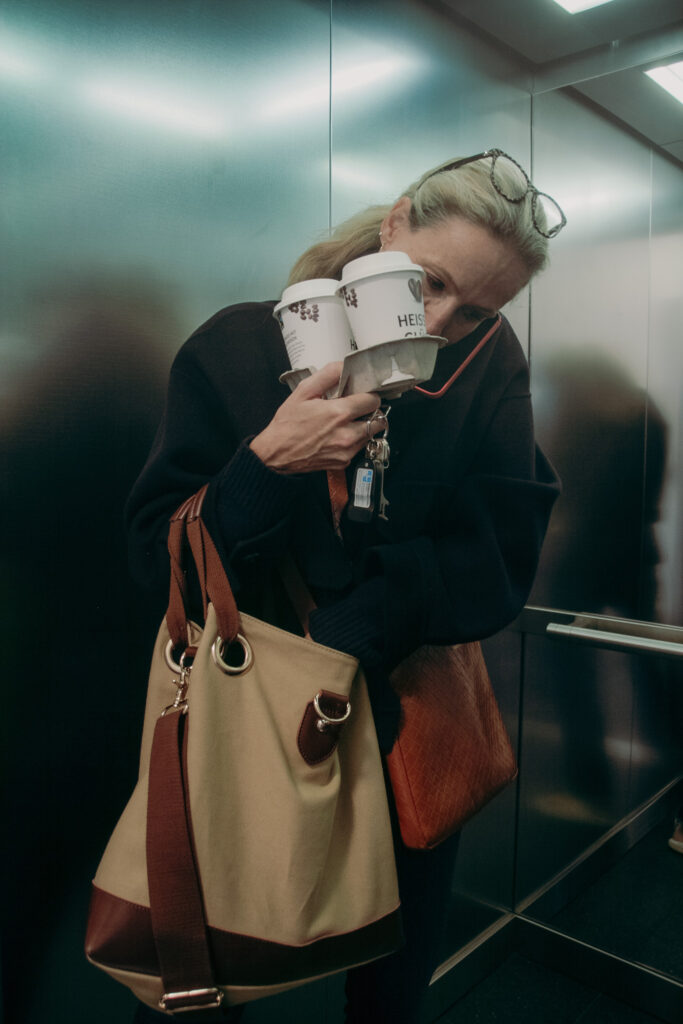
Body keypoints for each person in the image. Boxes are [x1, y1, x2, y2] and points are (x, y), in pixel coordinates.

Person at [125, 149, 563, 1023]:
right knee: (203, 975)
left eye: (476, 308)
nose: (441, 322)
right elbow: (154, 555)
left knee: (392, 987)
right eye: (430, 282)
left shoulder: (483, 364)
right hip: (242, 717)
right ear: (394, 223)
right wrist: (265, 463)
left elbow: (503, 545)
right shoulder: (238, 346)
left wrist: (364, 626)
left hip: (399, 719)